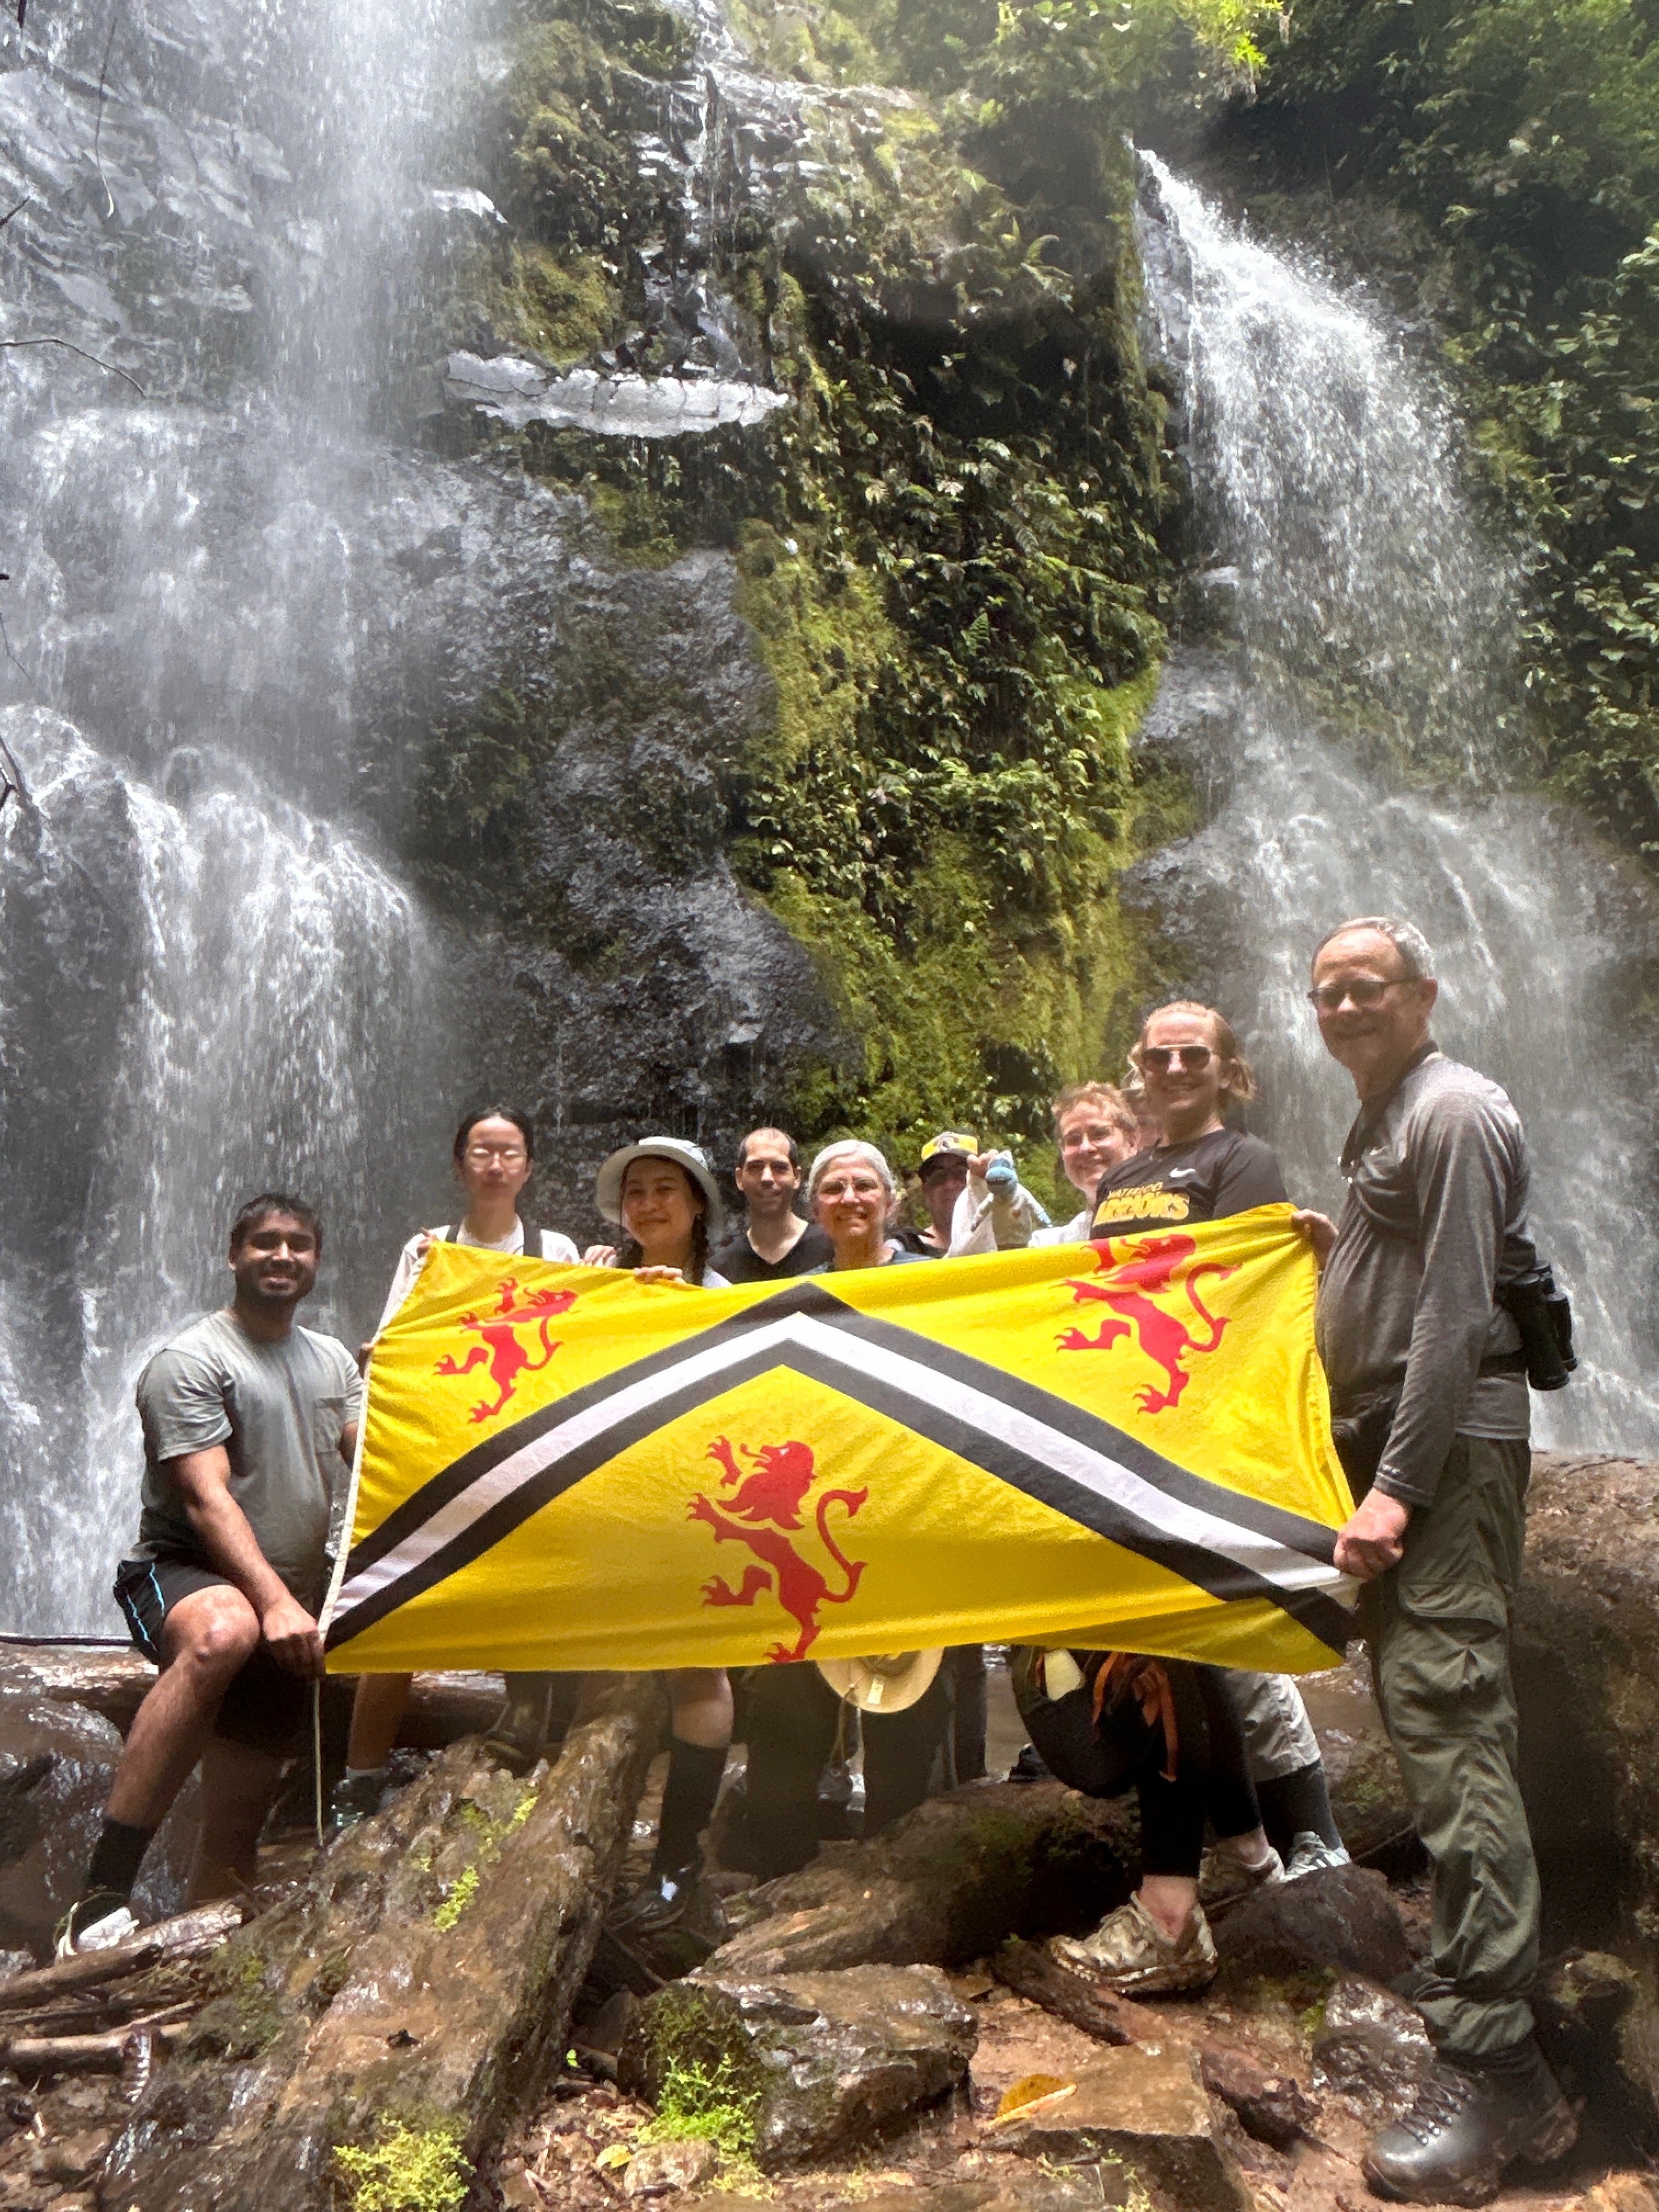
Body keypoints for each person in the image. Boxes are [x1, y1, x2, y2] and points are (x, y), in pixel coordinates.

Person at [1298, 916, 1576, 2204]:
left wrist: (1399, 1493)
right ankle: (1483, 2013)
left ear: (1424, 993)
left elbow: (1461, 1309)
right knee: (1428, 1719)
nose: (1347, 1007)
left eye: (1370, 987)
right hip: (1401, 1449)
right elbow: (1412, 1276)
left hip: (1445, 1457)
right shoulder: (1394, 1116)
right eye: (1327, 994)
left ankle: (1498, 2072)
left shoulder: (1453, 1108)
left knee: (1451, 1720)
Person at [60, 1195, 360, 1954]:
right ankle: (98, 1898)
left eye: (298, 1244)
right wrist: (278, 1604)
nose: (282, 1256)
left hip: (291, 1601)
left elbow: (374, 1456)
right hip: (182, 1575)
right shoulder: (191, 1360)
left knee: (232, 1849)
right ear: (235, 1255)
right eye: (265, 1242)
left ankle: (195, 1979)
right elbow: (204, 1497)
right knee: (227, 1632)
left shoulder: (333, 1361)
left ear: (317, 1261)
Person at [1093, 1002, 1350, 1883]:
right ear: (1141, 1066)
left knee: (1220, 1635)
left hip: (1199, 1425)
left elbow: (1239, 1291)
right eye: (1158, 1056)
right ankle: (1243, 1842)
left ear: (1226, 1069)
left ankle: (1299, 1834)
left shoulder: (1245, 1160)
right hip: (1131, 1422)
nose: (1173, 1069)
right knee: (1179, 1648)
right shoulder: (1120, 1177)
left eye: (1192, 1055)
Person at [332, 1108, 583, 1827]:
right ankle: (358, 1782)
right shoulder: (428, 1249)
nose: (496, 1164)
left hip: (527, 1448)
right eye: (482, 1151)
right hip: (439, 1451)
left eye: (510, 1152)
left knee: (527, 1600)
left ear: (528, 1166)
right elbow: (388, 1344)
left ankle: (526, 1749)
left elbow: (580, 1338)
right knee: (400, 1607)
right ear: (461, 1165)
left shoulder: (554, 1246)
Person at [740, 1140, 951, 1877]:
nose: (850, 1197)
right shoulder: (796, 1298)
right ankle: (781, 1859)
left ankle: (900, 1865)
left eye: (865, 1185)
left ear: (891, 1201)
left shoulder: (936, 1284)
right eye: (834, 1187)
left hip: (911, 1513)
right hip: (817, 1514)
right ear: (816, 1205)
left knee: (913, 1693)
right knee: (790, 1684)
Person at [595, 1138, 733, 1928]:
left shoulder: (724, 1295)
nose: (649, 1204)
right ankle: (590, 1859)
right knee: (597, 1679)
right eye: (636, 1192)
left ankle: (680, 1863)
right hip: (607, 1509)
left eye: (666, 1190)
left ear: (698, 1205)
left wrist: (675, 1311)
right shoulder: (590, 1289)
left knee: (698, 1674)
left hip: (691, 1507)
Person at [713, 1127, 833, 1283]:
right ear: (739, 1178)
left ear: (797, 1177)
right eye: (755, 1167)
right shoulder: (720, 1273)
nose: (767, 1178)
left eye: (779, 1168)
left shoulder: (833, 1250)